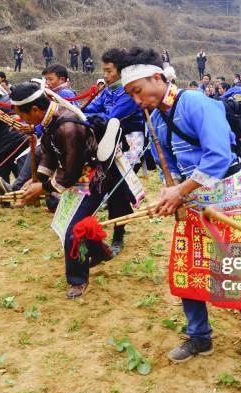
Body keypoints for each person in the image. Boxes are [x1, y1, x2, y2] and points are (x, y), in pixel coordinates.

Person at [120, 46, 241, 362]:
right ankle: (199, 336)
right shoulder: (157, 119)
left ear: (156, 77)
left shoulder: (196, 103)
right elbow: (171, 166)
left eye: (139, 91)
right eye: (132, 95)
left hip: (227, 196)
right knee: (187, 267)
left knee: (228, 268)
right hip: (192, 199)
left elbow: (217, 156)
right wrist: (171, 195)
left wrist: (181, 190)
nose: (137, 100)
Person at [10, 82, 114, 299]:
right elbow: (48, 152)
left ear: (35, 110)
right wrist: (37, 179)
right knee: (75, 222)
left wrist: (43, 188)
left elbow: (72, 171)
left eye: (23, 115)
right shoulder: (48, 122)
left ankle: (78, 280)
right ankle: (101, 251)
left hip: (93, 179)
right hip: (75, 177)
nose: (23, 121)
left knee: (72, 229)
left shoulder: (67, 127)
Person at [84, 48, 145, 256]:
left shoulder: (128, 93)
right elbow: (90, 111)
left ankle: (118, 235)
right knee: (102, 182)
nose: (106, 75)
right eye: (104, 71)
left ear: (120, 71)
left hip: (128, 142)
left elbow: (113, 116)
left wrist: (98, 116)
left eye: (109, 71)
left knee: (118, 189)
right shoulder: (108, 90)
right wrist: (96, 116)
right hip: (108, 139)